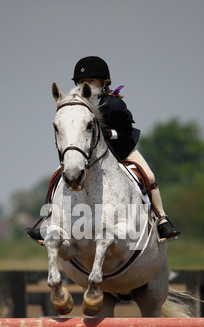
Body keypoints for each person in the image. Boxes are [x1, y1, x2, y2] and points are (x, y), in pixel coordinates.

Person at [27, 56, 180, 243]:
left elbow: (126, 131)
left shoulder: (114, 104)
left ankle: (161, 220)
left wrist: (109, 134)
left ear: (104, 82)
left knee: (149, 176)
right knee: (57, 177)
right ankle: (47, 220)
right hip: (89, 155)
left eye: (90, 81)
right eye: (82, 82)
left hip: (121, 150)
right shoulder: (76, 107)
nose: (86, 84)